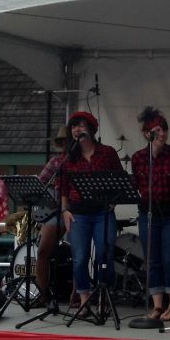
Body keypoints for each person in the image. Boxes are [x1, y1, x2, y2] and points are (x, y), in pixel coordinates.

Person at [131, 106, 170, 321]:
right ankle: (157, 305)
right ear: (146, 133)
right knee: (152, 259)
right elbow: (136, 185)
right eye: (157, 130)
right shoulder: (139, 158)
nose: (162, 134)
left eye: (164, 129)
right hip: (148, 214)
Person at [60, 111, 125, 308]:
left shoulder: (107, 153)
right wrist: (64, 210)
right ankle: (84, 299)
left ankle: (103, 295)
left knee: (104, 254)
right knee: (80, 258)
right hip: (77, 213)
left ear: (91, 129)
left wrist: (114, 201)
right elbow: (62, 187)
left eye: (80, 125)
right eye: (73, 126)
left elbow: (120, 179)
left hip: (102, 213)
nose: (76, 129)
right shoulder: (68, 157)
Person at [35, 125, 69, 307]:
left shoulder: (81, 161)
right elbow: (40, 184)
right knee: (42, 252)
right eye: (62, 142)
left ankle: (77, 298)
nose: (64, 144)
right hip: (56, 210)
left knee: (81, 255)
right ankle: (42, 295)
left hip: (76, 209)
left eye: (66, 141)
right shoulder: (55, 162)